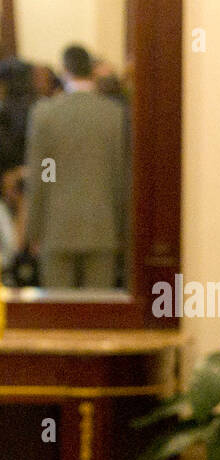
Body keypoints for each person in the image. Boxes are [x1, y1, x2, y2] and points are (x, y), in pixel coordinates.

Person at [23, 44, 126, 289]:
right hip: (103, 225)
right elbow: (120, 175)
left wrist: (33, 229)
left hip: (56, 225)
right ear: (91, 70)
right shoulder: (114, 114)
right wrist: (124, 229)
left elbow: (43, 175)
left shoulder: (45, 114)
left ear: (64, 71)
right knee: (97, 315)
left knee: (59, 316)